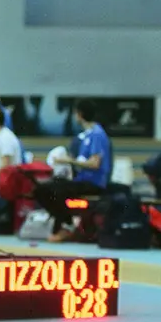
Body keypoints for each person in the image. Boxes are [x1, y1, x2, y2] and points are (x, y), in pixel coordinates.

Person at [33, 98, 111, 243]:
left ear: (79, 114)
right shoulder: (87, 135)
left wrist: (67, 160)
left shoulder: (97, 134)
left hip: (94, 183)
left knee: (56, 191)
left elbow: (95, 164)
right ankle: (66, 222)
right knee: (42, 189)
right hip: (81, 179)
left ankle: (66, 226)